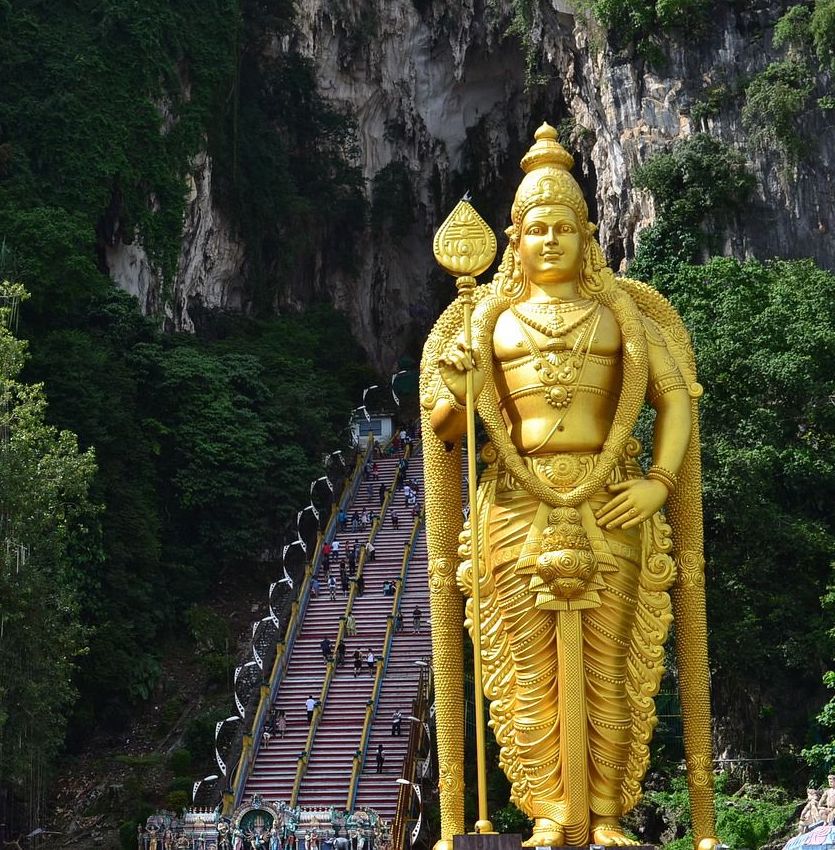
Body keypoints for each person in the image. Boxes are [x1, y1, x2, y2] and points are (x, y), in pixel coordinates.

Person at [421, 123, 716, 848]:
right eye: (535, 228)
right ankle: (549, 812)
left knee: (616, 664)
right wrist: (460, 382)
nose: (549, 240)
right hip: (517, 505)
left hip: (609, 500)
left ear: (587, 236)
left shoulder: (622, 317)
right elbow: (446, 431)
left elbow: (675, 400)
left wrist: (656, 481)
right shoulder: (487, 322)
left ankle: (609, 815)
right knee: (524, 668)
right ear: (513, 240)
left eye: (563, 227)